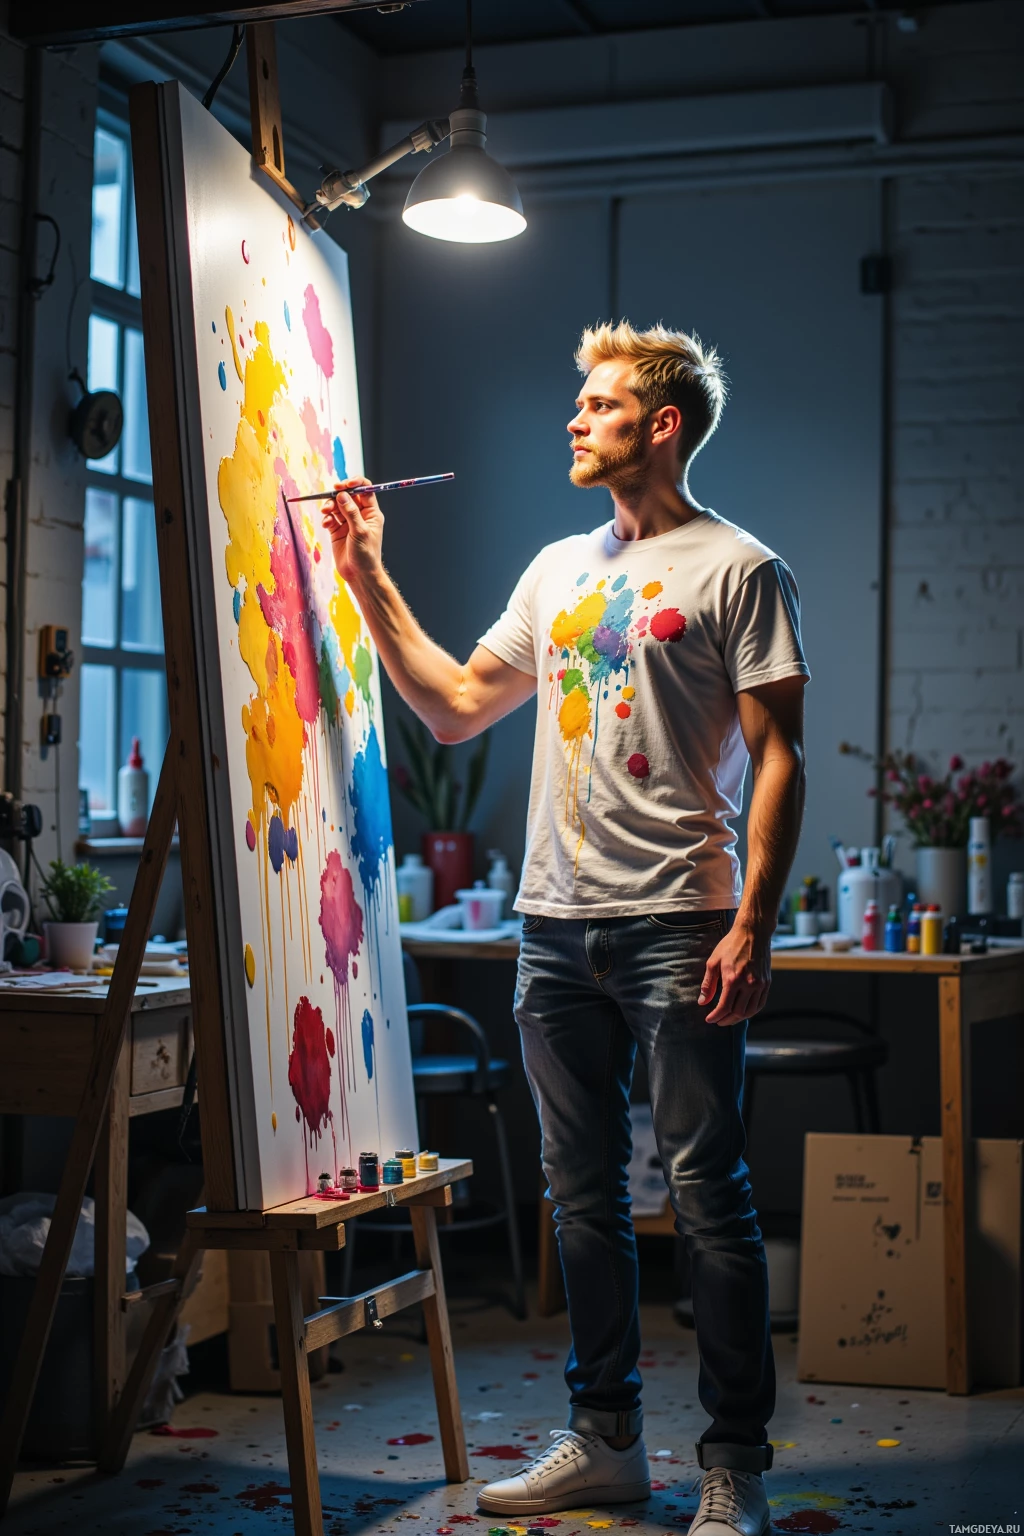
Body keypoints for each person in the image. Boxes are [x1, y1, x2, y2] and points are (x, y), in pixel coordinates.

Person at [325, 321, 809, 1536]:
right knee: (579, 1198)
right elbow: (450, 710)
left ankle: (732, 1461)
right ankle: (603, 1442)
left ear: (662, 426)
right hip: (553, 928)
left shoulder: (738, 568)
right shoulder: (554, 569)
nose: (573, 420)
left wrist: (753, 920)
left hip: (679, 922)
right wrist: (368, 572)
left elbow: (778, 757)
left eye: (597, 405)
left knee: (705, 1194)